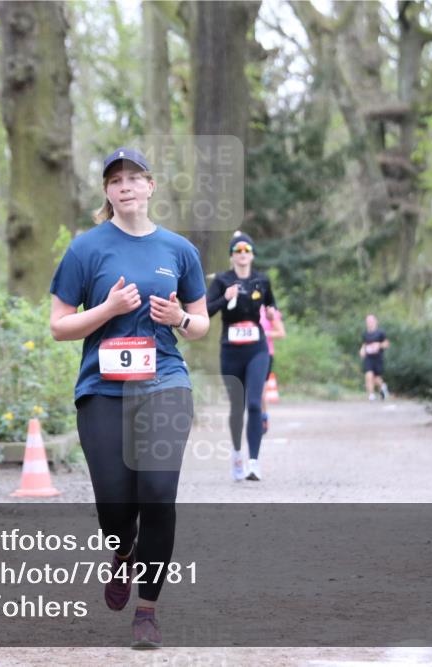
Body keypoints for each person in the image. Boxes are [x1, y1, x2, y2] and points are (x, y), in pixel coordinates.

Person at [49, 147, 209, 649]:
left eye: (135, 178)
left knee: (158, 493)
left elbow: (201, 323)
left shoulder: (179, 249)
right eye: (116, 180)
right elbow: (58, 326)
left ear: (150, 186)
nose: (126, 186)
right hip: (103, 388)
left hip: (165, 382)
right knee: (115, 507)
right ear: (107, 191)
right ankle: (123, 553)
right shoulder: (85, 249)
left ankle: (147, 610)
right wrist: (109, 308)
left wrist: (180, 319)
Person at [206, 231, 278, 482]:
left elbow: (271, 306)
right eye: (238, 250)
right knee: (237, 407)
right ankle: (237, 454)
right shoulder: (222, 280)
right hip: (230, 350)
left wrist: (271, 313)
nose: (243, 254)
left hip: (257, 349)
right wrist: (224, 298)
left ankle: (254, 463)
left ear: (252, 254)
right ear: (232, 256)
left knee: (255, 403)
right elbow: (206, 310)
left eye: (247, 250)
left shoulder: (262, 280)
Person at [259, 304, 286, 433]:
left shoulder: (269, 311)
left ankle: (263, 418)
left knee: (260, 389)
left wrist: (264, 333)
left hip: (265, 353)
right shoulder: (245, 307)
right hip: (246, 353)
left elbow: (281, 333)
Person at [359, 314, 389, 401]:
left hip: (378, 358)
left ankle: (383, 386)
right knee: (368, 375)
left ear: (376, 322)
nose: (369, 323)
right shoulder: (365, 334)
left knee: (376, 378)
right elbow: (364, 344)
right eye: (368, 321)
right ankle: (371, 395)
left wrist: (378, 344)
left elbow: (386, 344)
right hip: (368, 358)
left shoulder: (381, 333)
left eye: (371, 321)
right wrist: (362, 350)